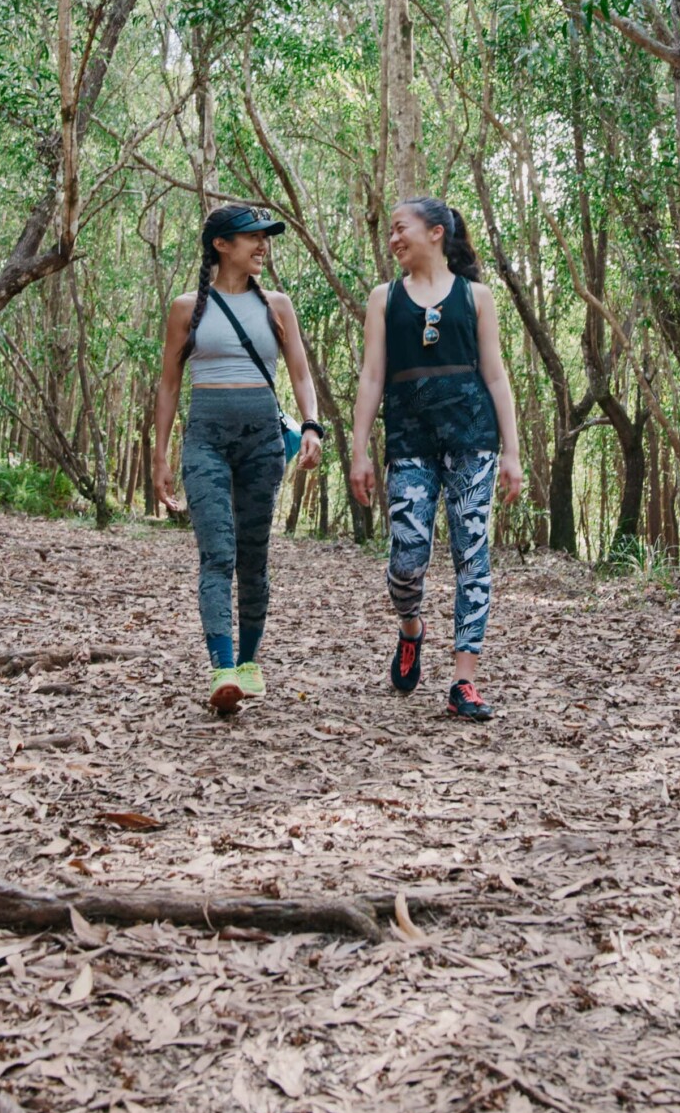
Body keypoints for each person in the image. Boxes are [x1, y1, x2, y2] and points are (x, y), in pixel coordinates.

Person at [349, 196, 523, 722]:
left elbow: (495, 374)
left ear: (435, 232)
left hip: (473, 439)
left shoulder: (477, 297)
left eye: (401, 228)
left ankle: (464, 681)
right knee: (407, 560)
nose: (393, 238)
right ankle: (411, 630)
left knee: (473, 557)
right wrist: (359, 452)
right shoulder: (385, 298)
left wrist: (512, 451)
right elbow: (372, 376)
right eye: (391, 233)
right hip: (409, 443)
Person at [151, 205, 324, 715]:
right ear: (222, 245)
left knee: (253, 554)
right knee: (217, 552)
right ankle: (222, 668)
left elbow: (300, 374)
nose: (262, 245)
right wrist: (160, 456)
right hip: (205, 437)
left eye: (265, 238)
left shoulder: (278, 306)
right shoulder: (188, 308)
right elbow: (168, 383)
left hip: (262, 441)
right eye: (252, 237)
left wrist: (311, 424)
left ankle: (249, 664)